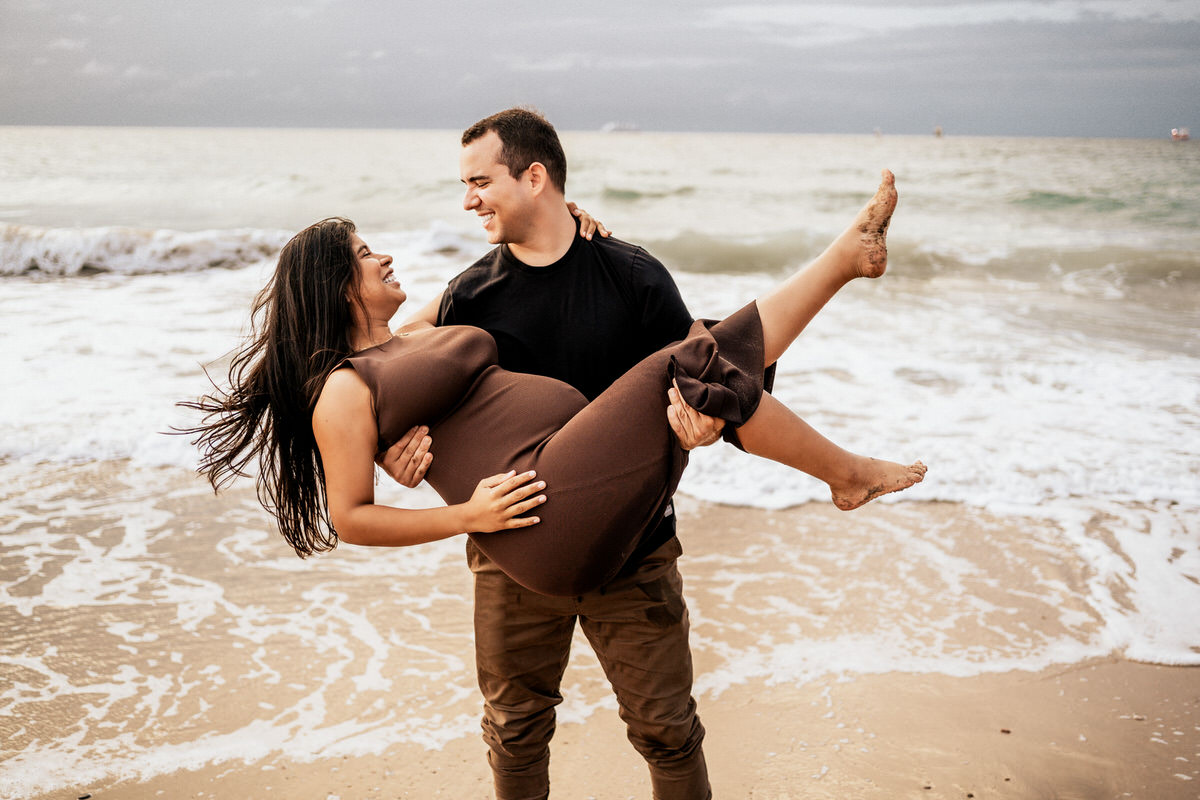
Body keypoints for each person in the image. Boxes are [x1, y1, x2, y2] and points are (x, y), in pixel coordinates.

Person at [181, 110, 924, 800]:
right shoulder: (459, 299)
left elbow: (712, 385)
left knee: (668, 728)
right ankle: (845, 427)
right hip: (518, 541)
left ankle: (845, 328)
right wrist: (422, 481)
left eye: (480, 181)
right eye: (364, 254)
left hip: (629, 535)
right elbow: (360, 462)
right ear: (335, 283)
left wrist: (703, 426)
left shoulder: (623, 272)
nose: (467, 201)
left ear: (534, 178)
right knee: (515, 732)